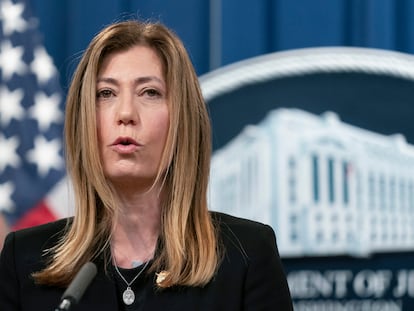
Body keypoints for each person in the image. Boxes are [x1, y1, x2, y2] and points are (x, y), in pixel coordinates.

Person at [0, 20, 293, 310]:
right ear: (84, 121)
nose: (125, 113)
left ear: (182, 121)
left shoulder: (246, 257)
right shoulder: (23, 258)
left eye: (149, 92)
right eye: (106, 93)